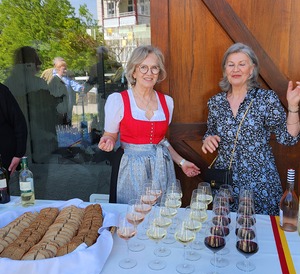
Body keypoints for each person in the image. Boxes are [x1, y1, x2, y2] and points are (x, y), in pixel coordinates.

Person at [201, 42, 300, 216]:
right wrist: (207, 139)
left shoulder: (266, 99)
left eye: (242, 64)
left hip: (259, 181)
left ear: (252, 70)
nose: (236, 69)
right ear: (225, 71)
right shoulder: (215, 102)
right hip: (226, 182)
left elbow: (288, 138)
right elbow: (210, 132)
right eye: (231, 65)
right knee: (226, 230)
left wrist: (292, 107)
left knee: (260, 233)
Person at [98, 45, 200, 203]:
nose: (149, 73)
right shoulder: (118, 100)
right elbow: (110, 135)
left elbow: (161, 141)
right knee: (131, 216)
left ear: (159, 73)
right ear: (134, 71)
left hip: (161, 167)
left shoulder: (167, 102)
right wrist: (109, 140)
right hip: (130, 168)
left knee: (160, 218)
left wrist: (182, 162)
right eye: (143, 67)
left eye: (154, 68)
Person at [47, 57, 85, 125]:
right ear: (57, 68)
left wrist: (81, 88)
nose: (65, 71)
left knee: (68, 125)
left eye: (66, 69)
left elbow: (75, 85)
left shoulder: (66, 78)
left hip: (68, 107)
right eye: (64, 69)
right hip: (59, 109)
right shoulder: (53, 79)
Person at [0, 83, 27, 177]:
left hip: (3, 158)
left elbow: (18, 122)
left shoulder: (1, 91)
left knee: (3, 189)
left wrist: (18, 154)